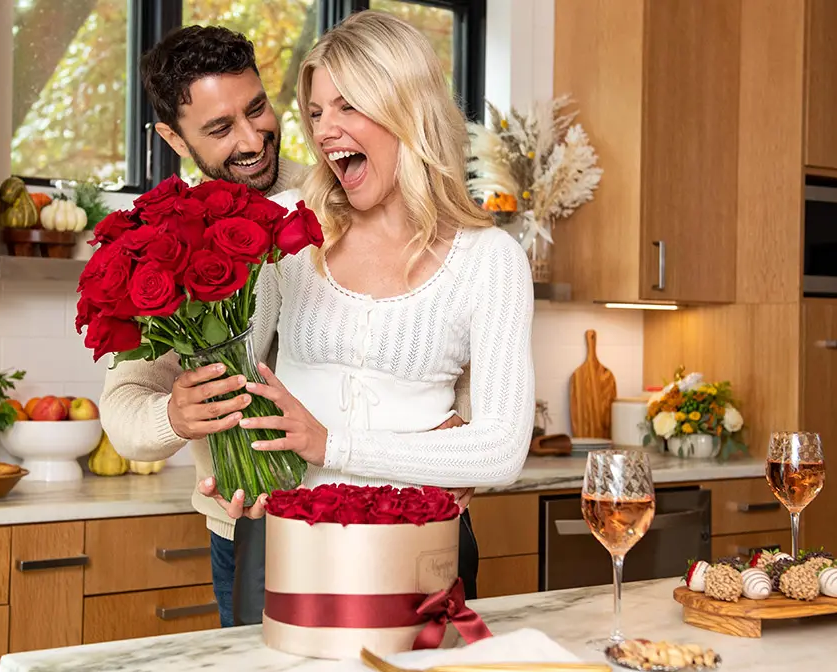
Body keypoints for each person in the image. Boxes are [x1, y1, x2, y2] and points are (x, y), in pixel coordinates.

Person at [101, 23, 475, 628]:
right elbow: (123, 407)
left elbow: (440, 304)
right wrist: (172, 416)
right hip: (251, 525)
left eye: (257, 110)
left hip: (400, 515)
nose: (252, 139)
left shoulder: (340, 187)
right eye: (220, 129)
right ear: (173, 136)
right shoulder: (169, 242)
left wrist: (468, 431)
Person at [198, 10, 535, 623]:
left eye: (347, 105)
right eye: (317, 111)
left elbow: (501, 450)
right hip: (285, 536)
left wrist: (333, 445)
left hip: (420, 545)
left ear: (408, 108)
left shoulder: (491, 260)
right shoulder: (288, 230)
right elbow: (247, 373)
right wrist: (241, 462)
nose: (326, 129)